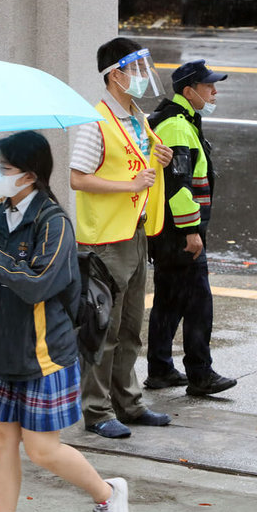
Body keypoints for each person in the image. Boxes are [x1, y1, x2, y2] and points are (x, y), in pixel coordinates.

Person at [0, 132, 129, 512]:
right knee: (0, 446)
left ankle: (107, 492)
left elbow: (37, 284)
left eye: (3, 168)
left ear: (29, 175)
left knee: (42, 451)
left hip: (41, 353)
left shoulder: (54, 222)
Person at [69, 37, 173, 439]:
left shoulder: (138, 118)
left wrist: (158, 159)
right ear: (115, 75)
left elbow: (142, 162)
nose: (143, 78)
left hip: (135, 232)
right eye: (135, 70)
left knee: (130, 327)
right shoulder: (95, 121)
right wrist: (128, 184)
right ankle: (96, 410)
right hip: (106, 241)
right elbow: (78, 178)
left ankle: (128, 402)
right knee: (103, 329)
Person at [144, 59, 237, 396]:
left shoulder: (177, 120)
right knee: (198, 303)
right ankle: (200, 374)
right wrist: (191, 232)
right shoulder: (178, 127)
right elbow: (178, 184)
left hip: (167, 231)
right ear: (189, 91)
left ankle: (160, 369)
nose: (214, 91)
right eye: (208, 86)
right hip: (179, 231)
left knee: (169, 300)